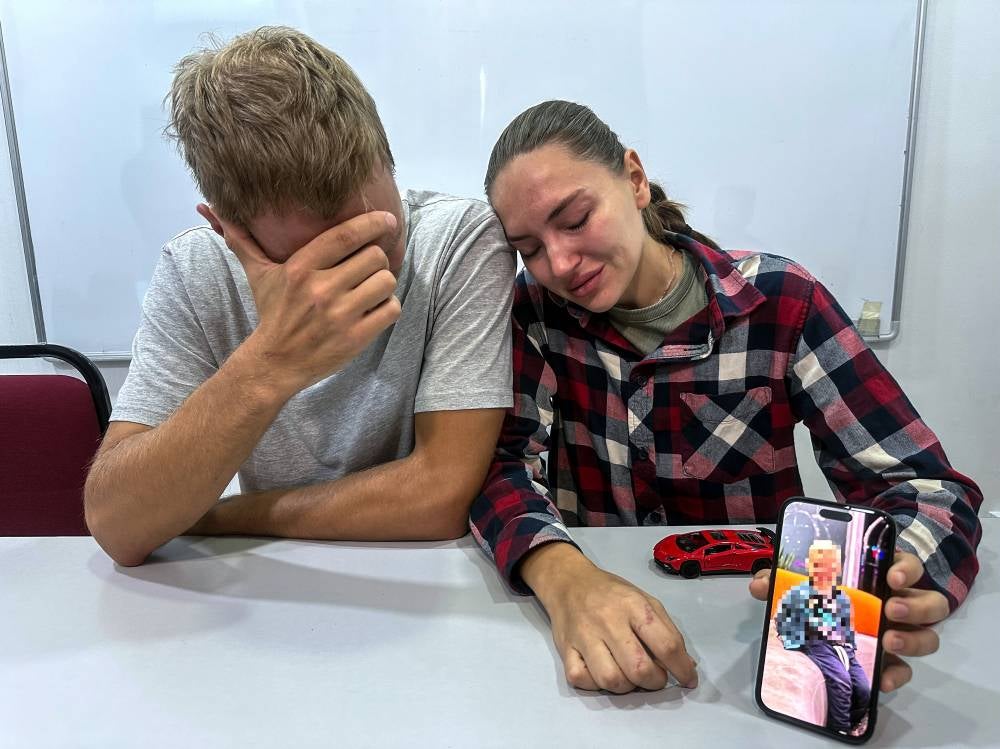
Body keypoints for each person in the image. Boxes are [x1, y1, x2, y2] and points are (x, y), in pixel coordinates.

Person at [470, 100, 983, 695]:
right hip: (599, 636)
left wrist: (887, 578)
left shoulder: (781, 302)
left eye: (577, 219)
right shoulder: (535, 313)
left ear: (634, 179)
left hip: (756, 634)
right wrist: (563, 575)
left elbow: (925, 488)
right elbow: (499, 467)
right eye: (530, 248)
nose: (558, 263)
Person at [84, 27, 514, 566]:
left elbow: (438, 498)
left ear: (388, 156)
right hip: (264, 588)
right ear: (229, 231)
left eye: (384, 238)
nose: (373, 274)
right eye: (329, 260)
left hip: (430, 575)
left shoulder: (460, 239)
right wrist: (269, 364)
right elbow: (118, 527)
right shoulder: (196, 269)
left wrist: (216, 516)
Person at [774, 541, 869, 734]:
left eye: (829, 565)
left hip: (843, 647)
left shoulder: (842, 597)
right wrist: (798, 637)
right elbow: (781, 619)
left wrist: (849, 644)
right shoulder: (798, 593)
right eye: (818, 565)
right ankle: (839, 729)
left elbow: (848, 626)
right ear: (809, 565)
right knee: (841, 681)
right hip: (816, 643)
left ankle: (855, 721)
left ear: (838, 568)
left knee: (863, 688)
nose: (824, 571)